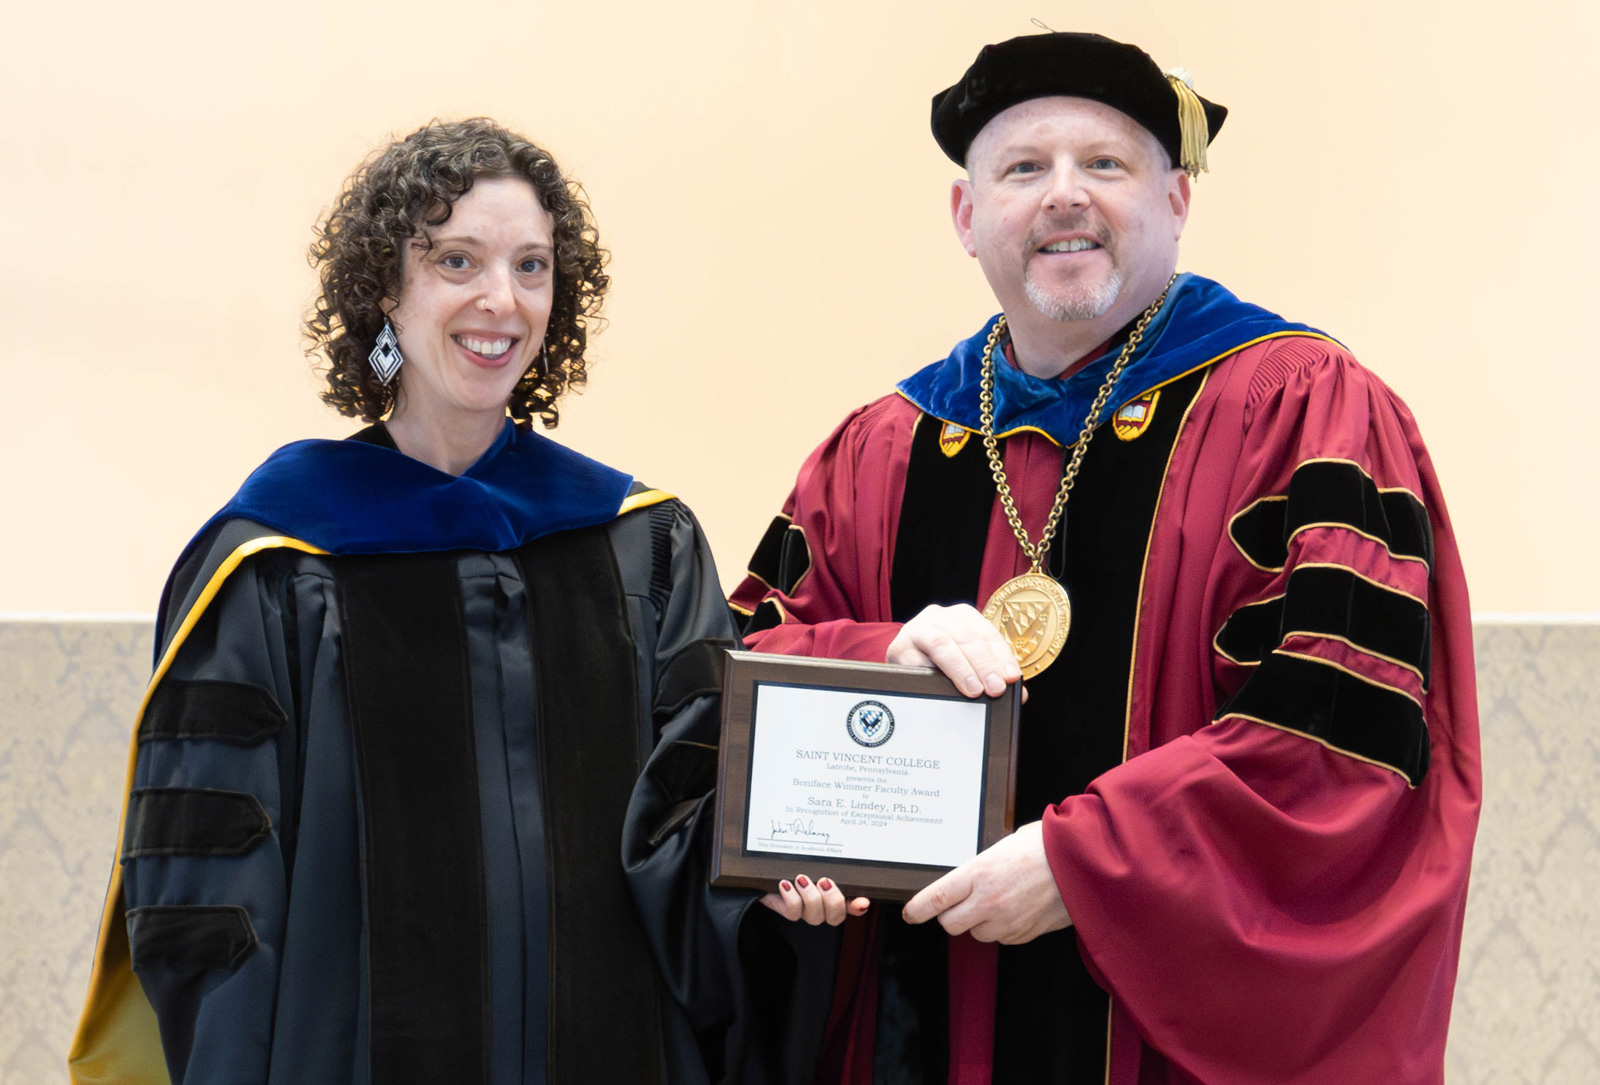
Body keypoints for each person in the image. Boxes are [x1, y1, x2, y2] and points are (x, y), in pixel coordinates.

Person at [729, 32, 1480, 1085]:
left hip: (1166, 1035)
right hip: (915, 1024)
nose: (1062, 197)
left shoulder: (1303, 411)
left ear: (1175, 200)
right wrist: (868, 672)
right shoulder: (880, 450)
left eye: (1105, 165)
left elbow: (1339, 733)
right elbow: (742, 680)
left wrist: (1088, 866)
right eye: (1023, 169)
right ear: (966, 216)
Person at [68, 118, 839, 1085]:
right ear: (386, 289)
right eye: (456, 260)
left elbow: (692, 819)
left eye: (532, 266)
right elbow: (209, 899)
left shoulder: (642, 543)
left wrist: (772, 900)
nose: (500, 300)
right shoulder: (272, 560)